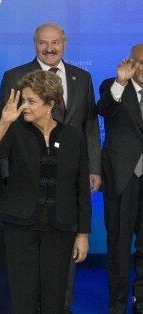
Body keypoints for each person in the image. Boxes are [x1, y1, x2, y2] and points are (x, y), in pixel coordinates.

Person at [0, 22, 101, 312]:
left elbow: (90, 125)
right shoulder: (14, 77)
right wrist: (9, 184)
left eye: (55, 42)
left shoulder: (83, 77)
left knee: (58, 286)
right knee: (24, 287)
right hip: (24, 197)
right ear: (35, 45)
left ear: (64, 44)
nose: (50, 48)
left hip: (63, 201)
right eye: (43, 42)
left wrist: (94, 166)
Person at [98, 43, 143, 313]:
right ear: (130, 62)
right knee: (118, 246)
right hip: (122, 179)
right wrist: (120, 82)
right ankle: (116, 305)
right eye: (140, 62)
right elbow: (103, 110)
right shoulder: (113, 86)